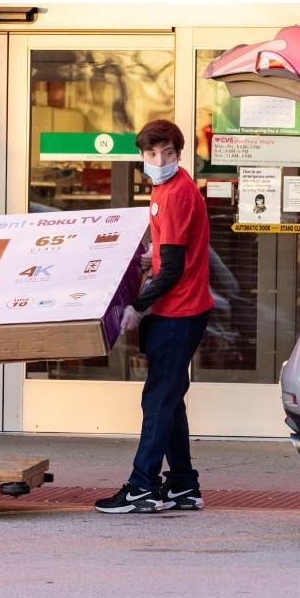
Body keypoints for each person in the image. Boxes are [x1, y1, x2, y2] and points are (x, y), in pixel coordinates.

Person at [94, 120, 213, 514]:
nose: (159, 160)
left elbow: (175, 267)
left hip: (178, 313)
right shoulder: (165, 188)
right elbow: (172, 253)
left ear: (179, 153)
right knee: (170, 398)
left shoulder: (175, 192)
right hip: (179, 310)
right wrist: (152, 257)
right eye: (151, 154)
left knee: (158, 400)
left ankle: (142, 485)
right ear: (142, 156)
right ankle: (182, 485)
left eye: (167, 153)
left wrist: (138, 305)